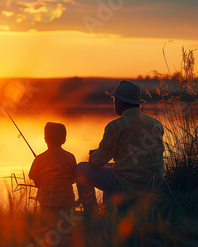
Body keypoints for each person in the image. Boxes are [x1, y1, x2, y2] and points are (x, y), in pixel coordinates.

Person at [75, 80, 165, 212]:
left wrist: (93, 155)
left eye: (114, 99)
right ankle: (111, 208)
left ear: (120, 102)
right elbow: (136, 153)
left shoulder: (115, 126)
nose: (113, 102)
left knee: (81, 168)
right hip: (154, 184)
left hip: (128, 185)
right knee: (109, 167)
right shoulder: (156, 123)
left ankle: (91, 212)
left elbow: (96, 162)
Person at [29, 122, 77, 224]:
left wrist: (42, 185)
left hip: (47, 201)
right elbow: (73, 178)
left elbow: (33, 177)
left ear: (45, 139)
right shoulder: (70, 157)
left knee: (48, 224)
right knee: (67, 224)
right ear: (64, 140)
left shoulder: (39, 158)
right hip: (67, 200)